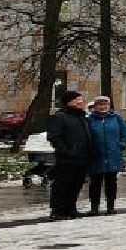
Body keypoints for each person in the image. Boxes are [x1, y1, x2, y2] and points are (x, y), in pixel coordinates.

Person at [45, 91, 94, 220]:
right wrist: (67, 151)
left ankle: (71, 209)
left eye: (81, 99)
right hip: (66, 159)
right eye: (78, 99)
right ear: (69, 101)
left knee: (76, 184)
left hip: (82, 157)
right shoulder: (60, 117)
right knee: (62, 185)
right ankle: (57, 211)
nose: (81, 101)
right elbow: (54, 137)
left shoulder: (81, 116)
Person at [86, 96, 126, 215]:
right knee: (95, 183)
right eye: (100, 105)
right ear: (95, 106)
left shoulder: (116, 118)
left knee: (111, 183)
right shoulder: (89, 120)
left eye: (105, 105)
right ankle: (94, 207)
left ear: (109, 106)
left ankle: (110, 206)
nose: (103, 107)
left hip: (113, 155)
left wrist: (121, 145)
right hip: (96, 156)